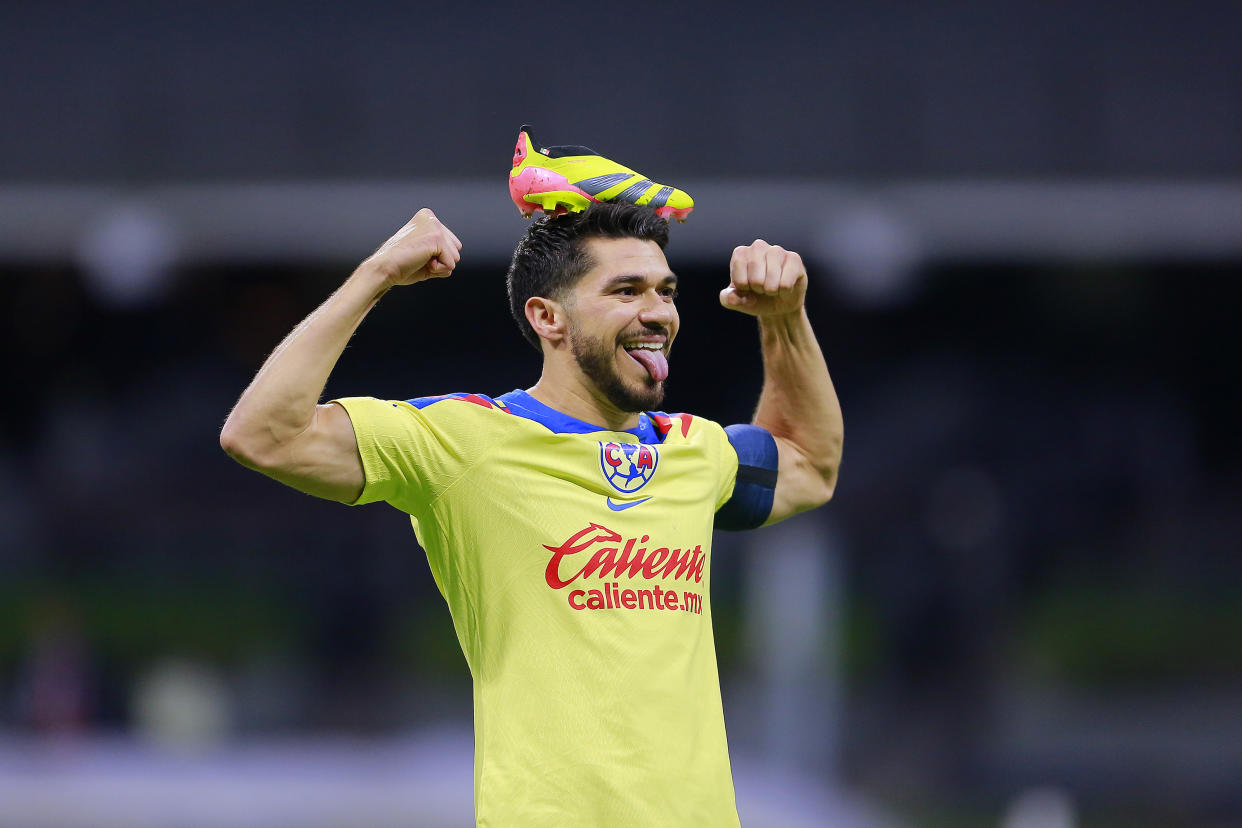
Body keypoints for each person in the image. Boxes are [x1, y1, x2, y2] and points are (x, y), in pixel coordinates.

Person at [220, 201, 843, 826]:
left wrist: (785, 320)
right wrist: (375, 274)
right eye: (625, 291)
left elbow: (812, 466)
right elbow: (264, 436)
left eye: (665, 292)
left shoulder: (694, 449)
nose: (657, 313)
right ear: (548, 317)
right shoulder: (464, 441)